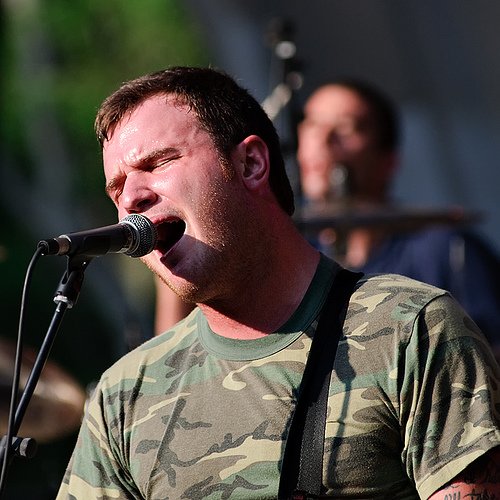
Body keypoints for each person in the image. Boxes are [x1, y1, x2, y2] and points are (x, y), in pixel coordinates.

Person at [57, 66, 500, 499]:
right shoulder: (122, 398)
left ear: (251, 164)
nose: (131, 199)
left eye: (159, 162)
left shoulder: (412, 329)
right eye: (116, 189)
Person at [296, 79, 500, 354]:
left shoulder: (446, 251)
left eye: (346, 128)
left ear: (388, 161)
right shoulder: (296, 260)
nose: (322, 140)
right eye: (311, 124)